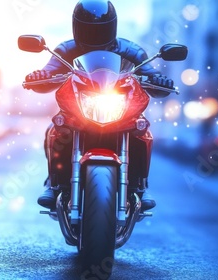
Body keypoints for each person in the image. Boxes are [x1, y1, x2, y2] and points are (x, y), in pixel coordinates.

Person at [23, 0, 174, 211]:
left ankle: (139, 185)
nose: (94, 34)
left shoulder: (131, 50)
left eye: (99, 29)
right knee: (57, 127)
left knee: (141, 129)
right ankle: (55, 181)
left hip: (120, 105)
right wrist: (41, 75)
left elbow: (149, 73)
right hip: (79, 108)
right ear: (77, 26)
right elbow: (50, 71)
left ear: (112, 26)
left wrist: (160, 80)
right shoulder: (66, 49)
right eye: (88, 28)